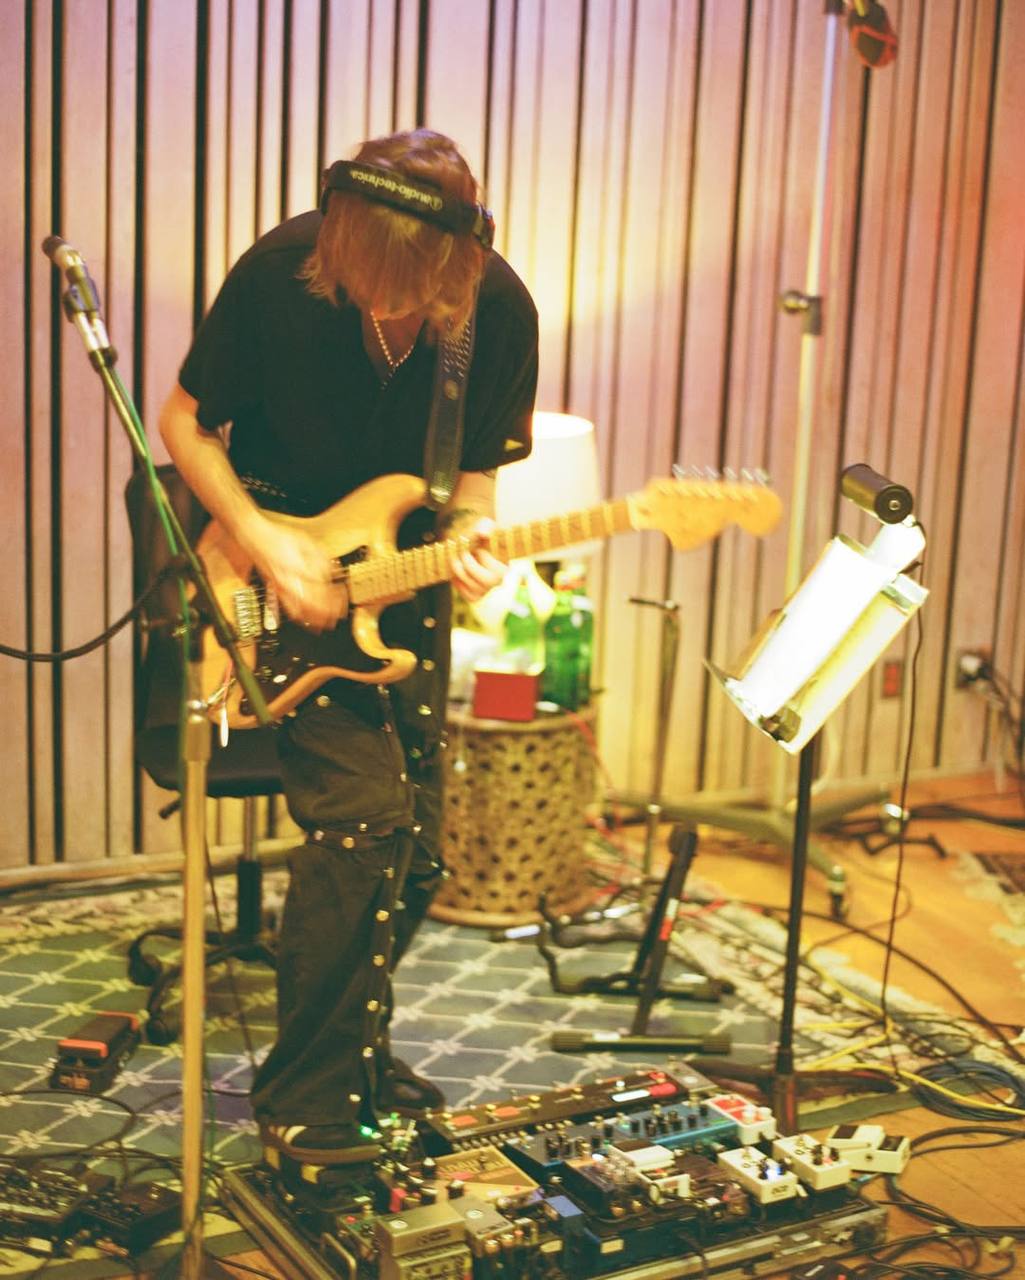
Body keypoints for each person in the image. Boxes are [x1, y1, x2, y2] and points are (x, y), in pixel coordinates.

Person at [159, 128, 539, 1165]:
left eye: (407, 291)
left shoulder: (498, 308)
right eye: (366, 282)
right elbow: (183, 424)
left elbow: (475, 475)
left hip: (400, 586)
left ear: (456, 261)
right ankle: (307, 1097)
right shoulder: (281, 271)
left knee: (419, 851)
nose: (383, 304)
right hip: (265, 576)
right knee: (364, 821)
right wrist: (261, 540)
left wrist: (472, 537)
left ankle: (349, 1050)